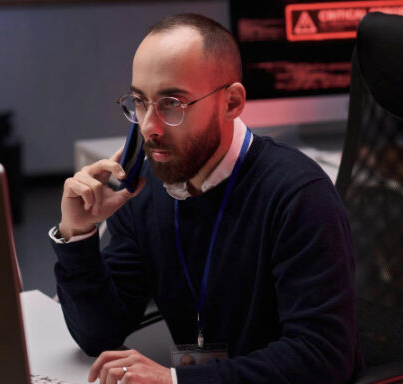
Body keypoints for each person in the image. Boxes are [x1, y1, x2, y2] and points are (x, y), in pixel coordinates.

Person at [48, 13, 360, 384]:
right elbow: (98, 334)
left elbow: (322, 357)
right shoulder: (147, 188)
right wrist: (78, 235)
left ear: (231, 102)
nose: (149, 127)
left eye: (172, 104)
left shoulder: (298, 196)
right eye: (140, 101)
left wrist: (177, 381)